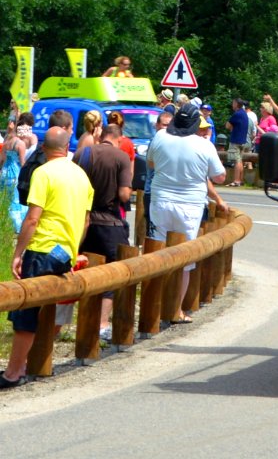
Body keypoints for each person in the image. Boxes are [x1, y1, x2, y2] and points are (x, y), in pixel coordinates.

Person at [0, 127, 94, 389]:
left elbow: (32, 218)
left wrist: (18, 253)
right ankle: (33, 362)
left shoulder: (43, 173)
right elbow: (86, 221)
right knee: (49, 307)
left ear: (43, 148)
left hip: (42, 248)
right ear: (66, 148)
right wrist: (73, 248)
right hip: (65, 252)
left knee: (25, 312)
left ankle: (13, 372)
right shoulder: (82, 176)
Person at [147, 103, 226, 324]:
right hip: (190, 205)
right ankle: (175, 310)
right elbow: (220, 177)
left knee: (157, 252)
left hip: (160, 202)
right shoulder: (204, 145)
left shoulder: (161, 136)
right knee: (185, 259)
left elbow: (151, 163)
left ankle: (153, 309)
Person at [75, 124, 132, 340]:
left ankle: (83, 321)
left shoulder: (83, 153)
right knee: (114, 273)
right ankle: (101, 324)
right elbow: (124, 195)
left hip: (83, 222)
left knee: (84, 271)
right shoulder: (121, 157)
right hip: (109, 224)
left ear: (101, 135)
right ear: (119, 138)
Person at [142, 111, 173, 241]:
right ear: (157, 125)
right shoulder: (156, 142)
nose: (166, 128)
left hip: (167, 194)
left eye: (169, 125)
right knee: (154, 233)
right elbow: (152, 166)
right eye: (164, 125)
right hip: (152, 192)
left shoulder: (171, 143)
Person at [2, 118, 29, 231]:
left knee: (4, 197)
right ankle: (16, 226)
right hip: (15, 173)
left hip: (4, 172)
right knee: (15, 199)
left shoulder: (7, 140)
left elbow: (2, 158)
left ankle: (3, 221)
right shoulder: (20, 144)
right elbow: (22, 162)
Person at [225, 98, 249, 187]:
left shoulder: (237, 114)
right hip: (243, 140)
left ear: (236, 104)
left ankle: (236, 181)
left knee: (237, 161)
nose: (232, 105)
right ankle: (240, 180)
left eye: (233, 103)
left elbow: (227, 125)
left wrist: (231, 128)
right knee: (240, 160)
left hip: (236, 140)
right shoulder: (244, 113)